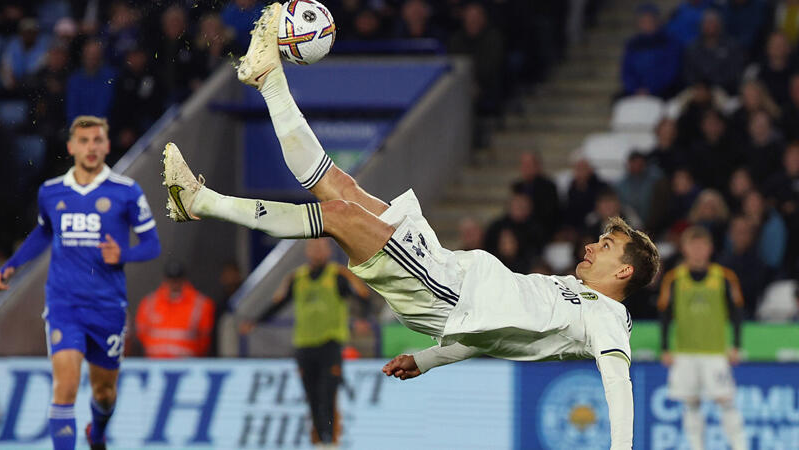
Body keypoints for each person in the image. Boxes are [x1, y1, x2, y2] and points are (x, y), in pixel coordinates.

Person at [161, 5, 661, 448]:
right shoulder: (573, 295)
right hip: (445, 271)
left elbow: (618, 383)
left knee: (338, 216)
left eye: (608, 245)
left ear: (624, 273)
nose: (594, 246)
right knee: (341, 187)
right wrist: (428, 360)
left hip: (443, 291)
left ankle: (202, 200)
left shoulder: (608, 321)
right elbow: (491, 333)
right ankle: (269, 79)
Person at [0, 116, 161, 450]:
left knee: (104, 393)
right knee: (65, 388)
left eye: (97, 140)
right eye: (84, 141)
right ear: (72, 146)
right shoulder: (52, 192)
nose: (91, 147)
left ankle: (97, 432)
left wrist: (124, 254)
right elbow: (45, 232)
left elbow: (152, 245)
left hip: (107, 307)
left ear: (107, 145)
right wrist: (14, 264)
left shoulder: (127, 192)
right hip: (64, 304)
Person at [239, 238, 370, 447]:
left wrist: (364, 318)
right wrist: (255, 321)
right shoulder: (297, 278)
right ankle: (320, 442)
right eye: (313, 247)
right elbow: (278, 303)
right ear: (308, 251)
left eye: (321, 247)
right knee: (312, 398)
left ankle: (331, 441)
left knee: (328, 395)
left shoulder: (337, 276)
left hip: (330, 344)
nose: (317, 251)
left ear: (328, 250)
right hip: (304, 346)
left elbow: (363, 297)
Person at [657, 226, 747, 450]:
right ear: (684, 248)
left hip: (714, 351)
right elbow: (665, 315)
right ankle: (696, 447)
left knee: (726, 401)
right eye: (692, 246)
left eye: (702, 246)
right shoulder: (674, 278)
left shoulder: (724, 277)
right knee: (691, 403)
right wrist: (665, 348)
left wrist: (736, 345)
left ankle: (739, 446)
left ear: (710, 248)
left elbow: (736, 313)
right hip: (685, 352)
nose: (697, 251)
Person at [135, 261, 215, 358]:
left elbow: (204, 340)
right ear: (165, 280)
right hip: (155, 363)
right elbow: (141, 334)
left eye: (177, 280)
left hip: (186, 364)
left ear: (184, 280)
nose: (174, 284)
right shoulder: (150, 303)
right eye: (171, 280)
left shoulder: (200, 304)